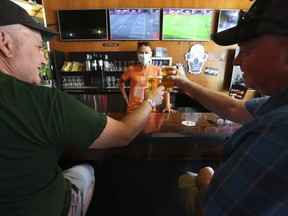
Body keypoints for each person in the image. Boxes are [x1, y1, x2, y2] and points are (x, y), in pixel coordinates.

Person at [0, 1, 164, 216]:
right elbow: (123, 135)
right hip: (48, 207)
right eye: (39, 47)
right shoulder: (44, 102)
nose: (42, 59)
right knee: (85, 170)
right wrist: (150, 100)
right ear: (4, 42)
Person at [173, 0, 288, 215]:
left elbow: (210, 209)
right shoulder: (279, 105)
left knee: (187, 179)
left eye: (245, 52)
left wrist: (207, 179)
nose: (236, 62)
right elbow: (235, 109)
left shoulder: (280, 128)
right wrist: (187, 84)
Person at [118, 41, 177, 113]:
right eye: (141, 52)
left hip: (150, 109)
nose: (144, 55)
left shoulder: (157, 69)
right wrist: (126, 98)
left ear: (151, 54)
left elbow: (165, 88)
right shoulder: (131, 69)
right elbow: (120, 82)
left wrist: (167, 106)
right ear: (137, 54)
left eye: (146, 52)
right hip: (133, 109)